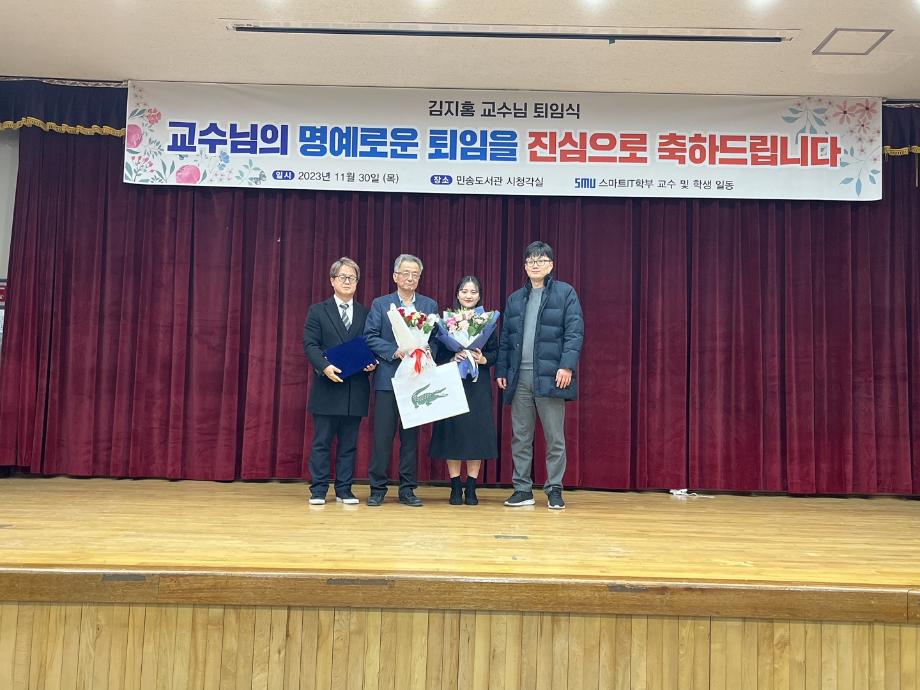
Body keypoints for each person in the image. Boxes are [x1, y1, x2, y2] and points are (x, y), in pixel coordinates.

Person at [495, 241, 584, 510]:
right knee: (521, 437)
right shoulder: (515, 299)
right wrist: (502, 370)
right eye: (531, 261)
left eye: (541, 260)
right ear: (525, 266)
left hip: (551, 376)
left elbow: (574, 332)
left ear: (551, 265)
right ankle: (522, 489)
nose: (535, 265)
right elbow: (506, 339)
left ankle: (554, 488)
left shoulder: (565, 293)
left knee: (554, 437)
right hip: (519, 378)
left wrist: (566, 366)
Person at [363, 254, 438, 507]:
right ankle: (377, 488)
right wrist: (394, 351)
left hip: (417, 380)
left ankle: (407, 489)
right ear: (395, 276)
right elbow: (370, 336)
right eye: (405, 273)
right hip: (389, 378)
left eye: (415, 274)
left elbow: (436, 339)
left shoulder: (428, 305)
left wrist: (427, 351)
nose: (410, 278)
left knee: (411, 439)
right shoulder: (381, 304)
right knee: (382, 437)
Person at [302, 257, 377, 505]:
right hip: (327, 386)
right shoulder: (318, 311)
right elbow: (310, 344)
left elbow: (370, 345)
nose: (347, 282)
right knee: (322, 442)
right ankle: (318, 489)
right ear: (332, 281)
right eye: (343, 277)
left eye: (352, 278)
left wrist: (371, 364)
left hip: (356, 387)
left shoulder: (366, 313)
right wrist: (324, 366)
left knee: (349, 444)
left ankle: (344, 489)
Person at [430, 276, 499, 505]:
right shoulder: (446, 321)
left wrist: (483, 358)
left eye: (473, 292)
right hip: (452, 381)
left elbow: (496, 353)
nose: (468, 295)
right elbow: (437, 354)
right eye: (464, 291)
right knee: (453, 432)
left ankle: (471, 487)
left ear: (479, 296)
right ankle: (455, 486)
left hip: (477, 384)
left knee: (475, 433)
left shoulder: (487, 322)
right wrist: (453, 357)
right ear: (458, 294)